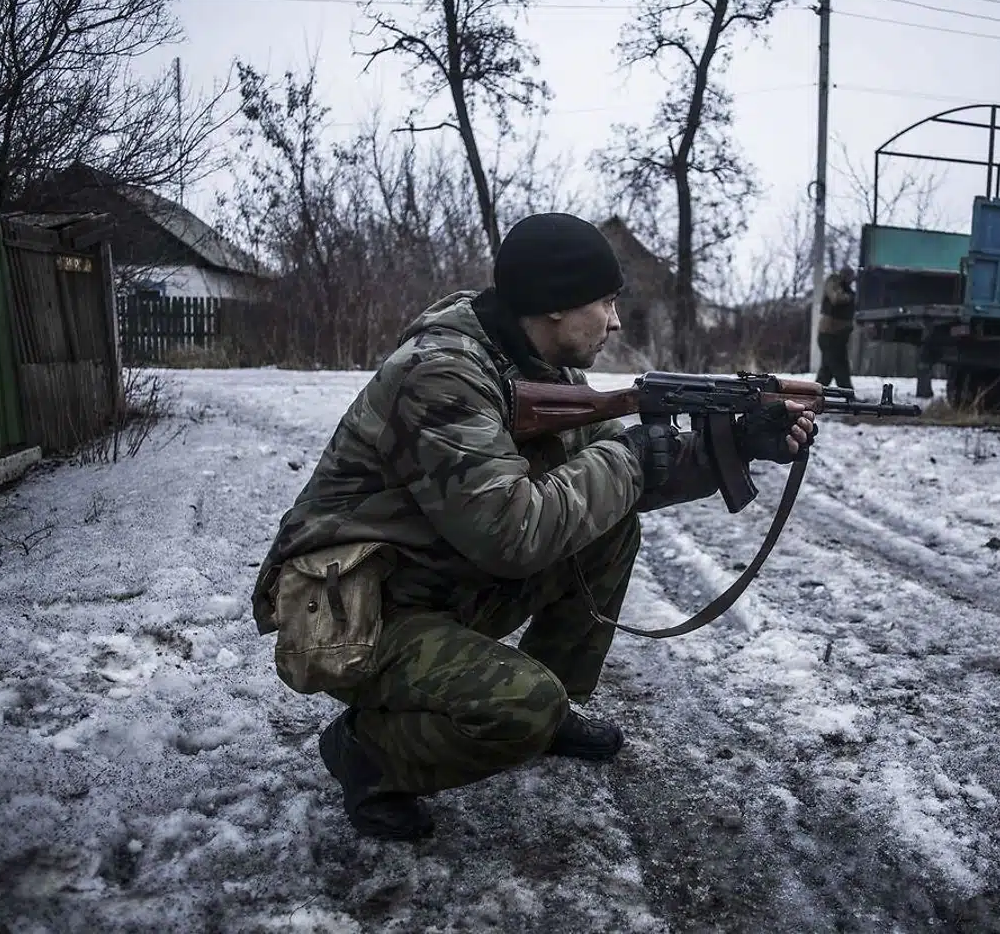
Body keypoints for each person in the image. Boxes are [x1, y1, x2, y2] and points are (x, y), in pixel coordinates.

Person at [251, 212, 817, 841]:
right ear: (553, 307)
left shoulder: (541, 368)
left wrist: (734, 444)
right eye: (605, 302)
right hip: (357, 612)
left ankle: (556, 710)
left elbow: (618, 477)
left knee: (609, 524)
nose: (617, 320)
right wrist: (628, 458)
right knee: (521, 706)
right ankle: (368, 753)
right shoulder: (444, 375)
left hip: (435, 577)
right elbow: (512, 532)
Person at [815, 265, 857, 390]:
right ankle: (847, 395)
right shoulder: (834, 282)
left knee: (826, 371)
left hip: (838, 335)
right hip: (830, 335)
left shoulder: (846, 288)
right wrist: (851, 297)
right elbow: (836, 298)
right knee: (840, 367)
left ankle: (814, 394)